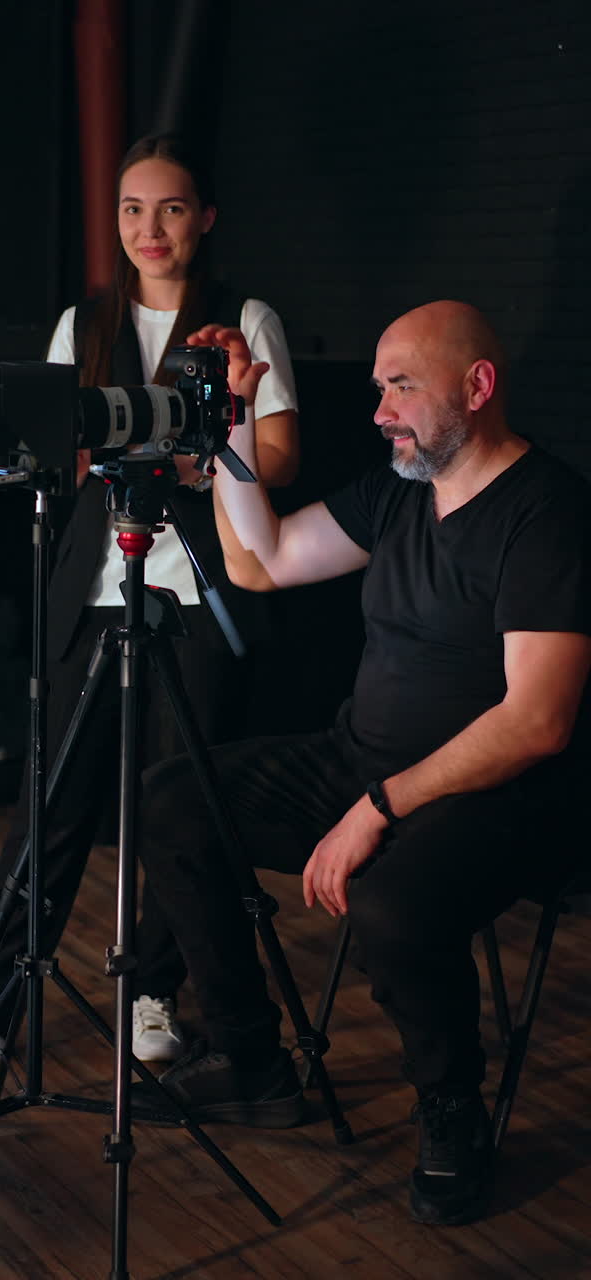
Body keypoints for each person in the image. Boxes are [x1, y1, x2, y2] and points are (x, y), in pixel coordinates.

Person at [127, 300, 591, 1227]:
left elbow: (536, 722)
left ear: (478, 387)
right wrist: (233, 433)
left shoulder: (547, 512)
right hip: (362, 761)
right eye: (380, 385)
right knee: (176, 802)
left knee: (393, 902)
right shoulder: (399, 491)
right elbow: (261, 561)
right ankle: (252, 1058)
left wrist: (378, 807)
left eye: (402, 386)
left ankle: (452, 1112)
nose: (378, 409)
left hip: (502, 798)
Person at [0, 134, 298, 1071]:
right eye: (132, 209)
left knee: (178, 809)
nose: (150, 228)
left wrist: (193, 457)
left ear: (206, 218)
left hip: (195, 591)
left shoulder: (243, 319)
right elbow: (62, 456)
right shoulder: (83, 323)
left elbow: (279, 456)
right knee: (49, 807)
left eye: (172, 208)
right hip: (94, 590)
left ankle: (152, 991)